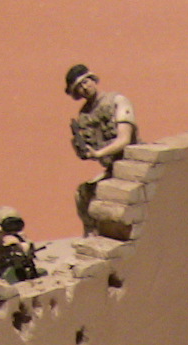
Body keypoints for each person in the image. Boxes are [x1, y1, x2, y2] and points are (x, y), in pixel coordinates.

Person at [65, 64, 138, 234]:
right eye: (79, 87)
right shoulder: (84, 115)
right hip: (113, 169)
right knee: (83, 194)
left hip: (132, 165)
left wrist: (98, 153)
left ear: (93, 79)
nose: (85, 88)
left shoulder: (117, 101)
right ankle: (91, 236)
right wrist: (82, 149)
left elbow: (124, 139)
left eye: (85, 82)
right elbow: (90, 147)